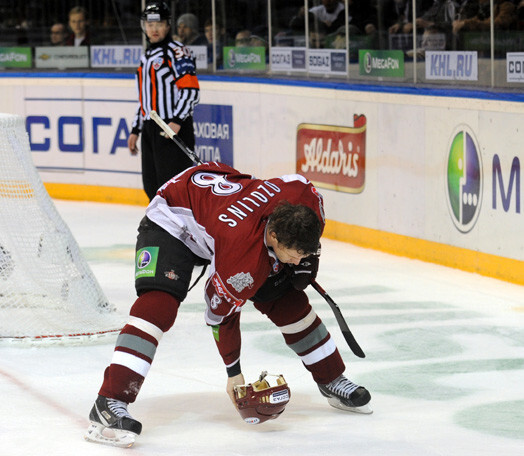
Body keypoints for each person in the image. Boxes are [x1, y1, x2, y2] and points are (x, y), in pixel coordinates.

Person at [85, 161, 372, 447]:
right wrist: (233, 373)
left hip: (216, 199)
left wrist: (310, 259)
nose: (298, 261)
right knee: (158, 306)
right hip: (174, 218)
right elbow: (220, 315)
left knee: (289, 303)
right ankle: (109, 401)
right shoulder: (241, 261)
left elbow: (302, 187)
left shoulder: (303, 197)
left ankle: (331, 379)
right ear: (273, 236)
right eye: (294, 254)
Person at [127, 2, 200, 202]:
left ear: (168, 25)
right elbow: (144, 99)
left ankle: (180, 232)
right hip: (151, 130)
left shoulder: (176, 52)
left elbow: (191, 90)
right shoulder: (146, 57)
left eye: (159, 23)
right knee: (152, 185)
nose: (154, 29)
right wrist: (136, 129)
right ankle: (162, 231)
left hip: (172, 128)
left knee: (174, 187)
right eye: (149, 25)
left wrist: (177, 121)